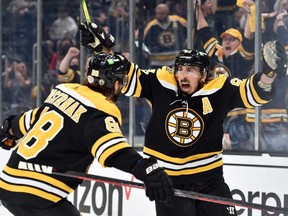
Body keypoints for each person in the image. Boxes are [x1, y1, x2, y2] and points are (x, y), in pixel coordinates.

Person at [80, 22, 287, 216]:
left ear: (204, 75)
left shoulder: (219, 88)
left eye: (190, 70)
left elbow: (255, 92)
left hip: (209, 179)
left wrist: (270, 71)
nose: (182, 75)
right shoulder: (162, 81)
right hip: (168, 181)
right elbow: (123, 75)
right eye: (179, 69)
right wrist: (102, 49)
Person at [0, 52, 174, 216]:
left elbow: (33, 118)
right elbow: (113, 151)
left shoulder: (64, 91)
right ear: (115, 84)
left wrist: (10, 129)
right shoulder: (98, 112)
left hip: (8, 184)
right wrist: (145, 168)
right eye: (121, 82)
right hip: (39, 193)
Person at [144, 3, 187, 68]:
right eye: (157, 14)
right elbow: (144, 41)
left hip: (176, 61)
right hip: (156, 63)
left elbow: (191, 32)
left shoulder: (179, 21)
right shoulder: (151, 26)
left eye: (162, 13)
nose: (159, 16)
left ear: (167, 13)